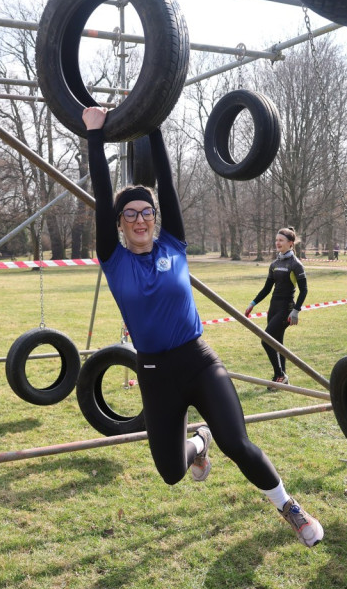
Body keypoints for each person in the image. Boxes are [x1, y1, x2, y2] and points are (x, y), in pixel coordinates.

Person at [84, 106, 323, 547]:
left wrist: (154, 125)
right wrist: (95, 136)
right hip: (154, 373)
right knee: (171, 472)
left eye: (146, 212)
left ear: (156, 218)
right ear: (118, 225)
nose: (140, 220)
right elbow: (102, 193)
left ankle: (289, 506)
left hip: (198, 361)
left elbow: (167, 183)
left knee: (238, 443)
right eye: (130, 215)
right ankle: (199, 443)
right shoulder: (113, 260)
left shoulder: (173, 244)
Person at [245, 228, 308, 386]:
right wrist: (253, 303)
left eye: (281, 240)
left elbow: (304, 290)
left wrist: (296, 311)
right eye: (276, 240)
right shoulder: (274, 264)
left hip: (286, 309)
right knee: (277, 343)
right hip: (273, 308)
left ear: (290, 243)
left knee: (266, 341)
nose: (277, 243)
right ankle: (281, 378)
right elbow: (267, 288)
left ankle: (280, 374)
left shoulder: (296, 264)